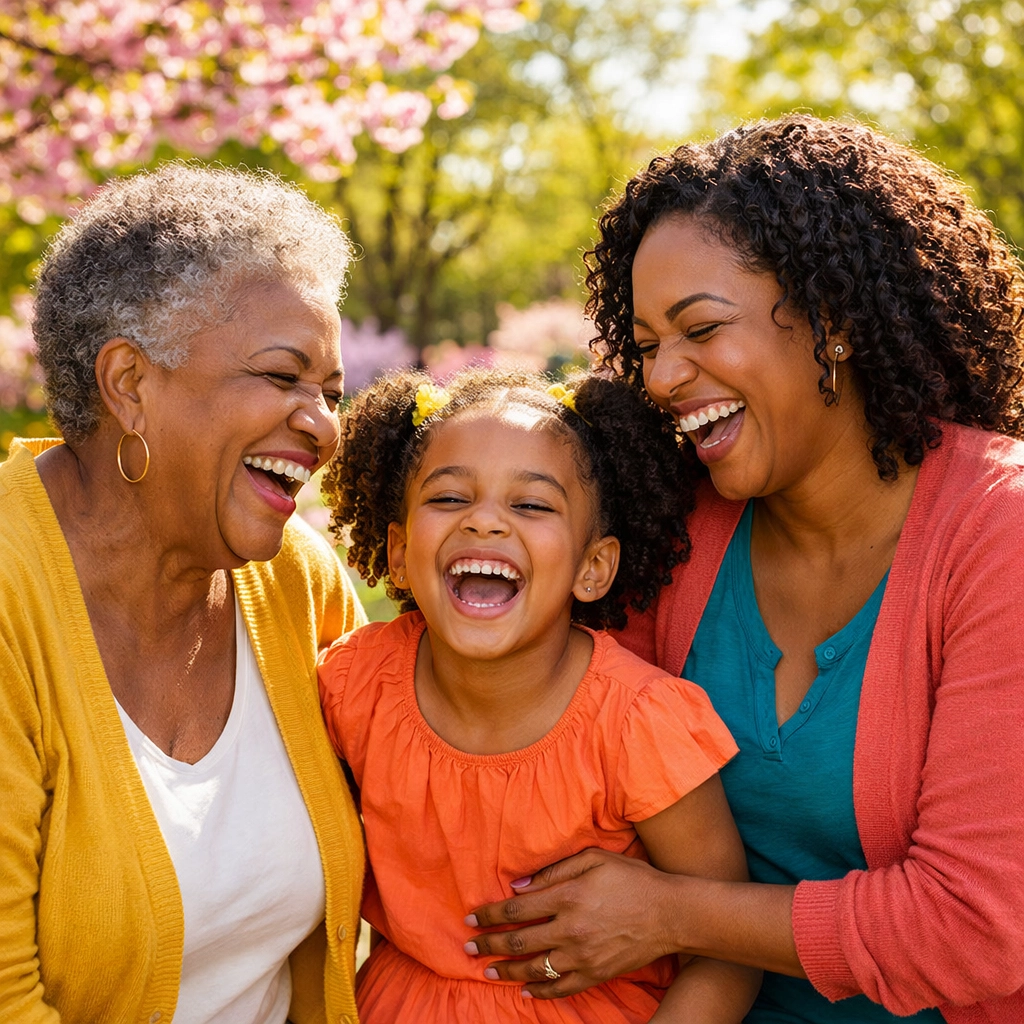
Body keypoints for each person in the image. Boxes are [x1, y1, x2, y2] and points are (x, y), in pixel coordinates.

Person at [461, 116, 1024, 1023]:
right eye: (646, 345)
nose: (664, 376)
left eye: (701, 329)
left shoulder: (999, 536)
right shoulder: (678, 526)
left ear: (834, 321)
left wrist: (676, 914)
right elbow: (562, 764)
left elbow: (971, 927)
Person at [0, 164, 367, 1024]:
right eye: (283, 378)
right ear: (129, 383)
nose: (322, 423)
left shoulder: (296, 582)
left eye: (331, 392)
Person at [316, 368, 762, 1022]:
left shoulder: (640, 723)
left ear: (593, 567)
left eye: (531, 505)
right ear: (401, 551)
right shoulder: (354, 687)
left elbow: (724, 949)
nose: (485, 522)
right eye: (449, 498)